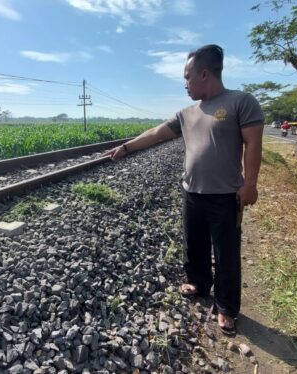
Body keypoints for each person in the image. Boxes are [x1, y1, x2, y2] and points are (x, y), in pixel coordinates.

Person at [103, 44, 264, 336]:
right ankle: (200, 283)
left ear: (204, 74)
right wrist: (126, 147)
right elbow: (155, 134)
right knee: (195, 244)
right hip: (192, 192)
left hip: (226, 195)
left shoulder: (241, 102)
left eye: (187, 76)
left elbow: (254, 144)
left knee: (226, 252)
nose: (185, 83)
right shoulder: (186, 113)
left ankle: (227, 307)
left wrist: (250, 184)